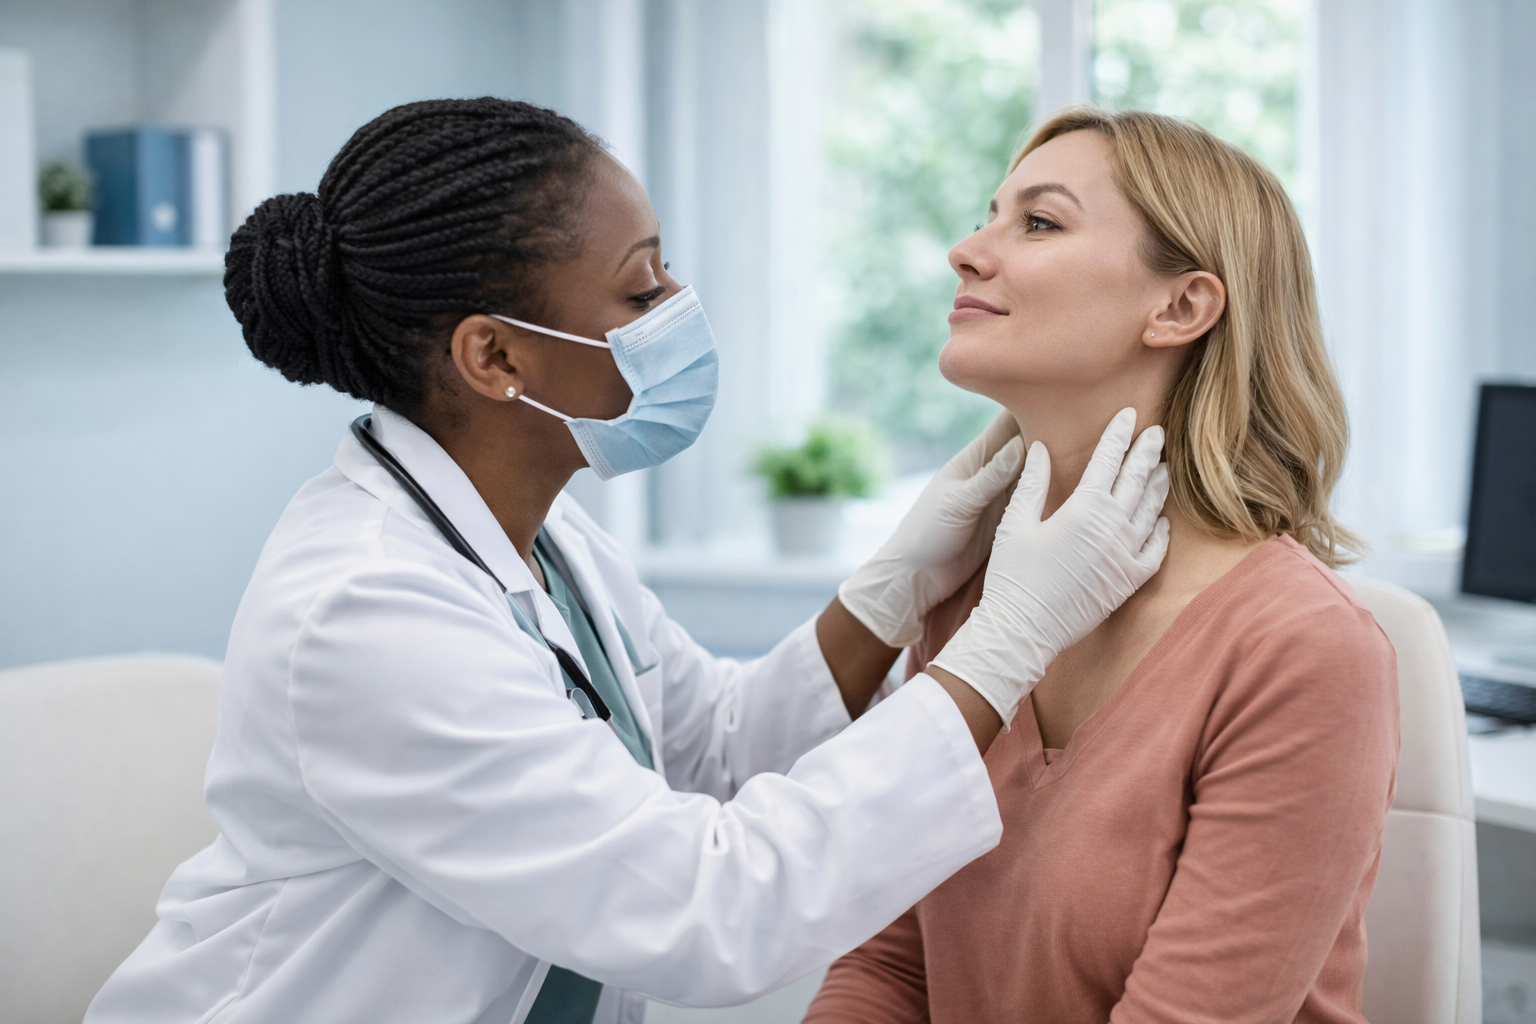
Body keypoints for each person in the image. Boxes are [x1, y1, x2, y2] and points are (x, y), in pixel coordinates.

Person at [83, 99, 1170, 1024]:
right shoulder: (365, 609)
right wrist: (1004, 642)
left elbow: (716, 746)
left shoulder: (543, 538)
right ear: (495, 356)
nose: (681, 309)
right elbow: (706, 908)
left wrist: (897, 585)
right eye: (642, 292)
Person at [805, 108, 1399, 1024]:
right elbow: (888, 964)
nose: (966, 251)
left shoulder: (1304, 648)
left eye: (1038, 222)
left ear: (1180, 308)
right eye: (988, 216)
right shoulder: (973, 601)